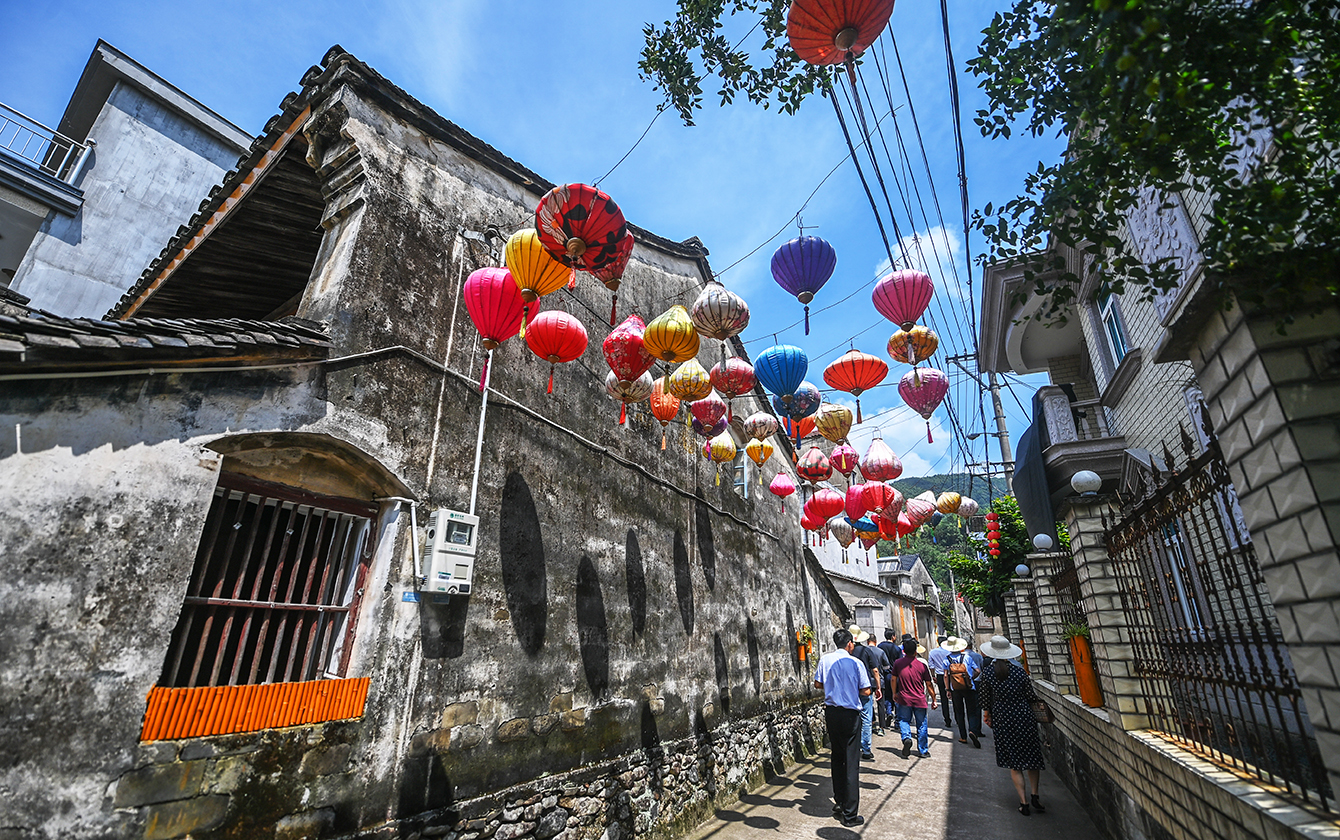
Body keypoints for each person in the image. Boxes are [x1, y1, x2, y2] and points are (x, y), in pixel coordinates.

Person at [978, 635, 1047, 816]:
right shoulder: (1019, 672)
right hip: (1024, 715)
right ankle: (1035, 795)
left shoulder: (989, 673)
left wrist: (987, 715)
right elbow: (1030, 695)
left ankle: (1023, 803)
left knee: (1015, 762)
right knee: (1032, 758)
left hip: (1002, 717)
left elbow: (985, 699)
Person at [814, 628, 871, 827]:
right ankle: (850, 814)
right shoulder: (856, 662)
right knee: (851, 761)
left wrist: (834, 686)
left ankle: (839, 802)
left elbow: (817, 684)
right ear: (849, 644)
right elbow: (865, 690)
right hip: (849, 714)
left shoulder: (825, 660)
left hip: (832, 713)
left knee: (837, 758)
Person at [889, 636, 937, 758]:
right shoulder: (921, 665)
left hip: (904, 698)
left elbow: (894, 679)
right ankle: (923, 750)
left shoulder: (898, 663)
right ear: (916, 651)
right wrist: (934, 698)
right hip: (920, 699)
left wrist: (894, 692)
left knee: (904, 720)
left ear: (903, 651)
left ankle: (906, 738)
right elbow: (929, 683)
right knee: (921, 724)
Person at [846, 625, 882, 760]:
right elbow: (875, 670)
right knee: (866, 718)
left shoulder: (847, 653)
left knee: (852, 717)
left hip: (850, 689)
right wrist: (878, 687)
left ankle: (853, 746)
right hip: (865, 689)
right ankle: (866, 749)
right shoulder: (866, 651)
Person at [942, 636, 983, 747]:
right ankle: (973, 730)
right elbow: (978, 671)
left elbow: (946, 676)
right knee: (972, 711)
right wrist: (970, 679)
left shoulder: (946, 659)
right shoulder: (967, 657)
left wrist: (947, 689)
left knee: (959, 712)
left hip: (955, 689)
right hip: (969, 688)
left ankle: (963, 736)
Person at [863, 633, 891, 740]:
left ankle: (872, 722)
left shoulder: (864, 651)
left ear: (867, 641)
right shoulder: (880, 652)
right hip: (880, 681)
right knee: (880, 703)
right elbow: (887, 666)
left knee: (869, 703)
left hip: (867, 681)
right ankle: (882, 727)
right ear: (875, 641)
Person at [926, 634, 953, 728]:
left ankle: (947, 719)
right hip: (952, 675)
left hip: (940, 676)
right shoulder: (950, 651)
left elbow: (931, 666)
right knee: (956, 697)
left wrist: (933, 675)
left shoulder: (933, 652)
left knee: (943, 698)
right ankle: (959, 718)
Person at [877, 629, 901, 731]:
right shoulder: (897, 648)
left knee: (887, 696)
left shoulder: (880, 647)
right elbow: (900, 663)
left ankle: (889, 712)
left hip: (885, 675)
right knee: (897, 697)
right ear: (893, 636)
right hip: (895, 675)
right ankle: (897, 721)